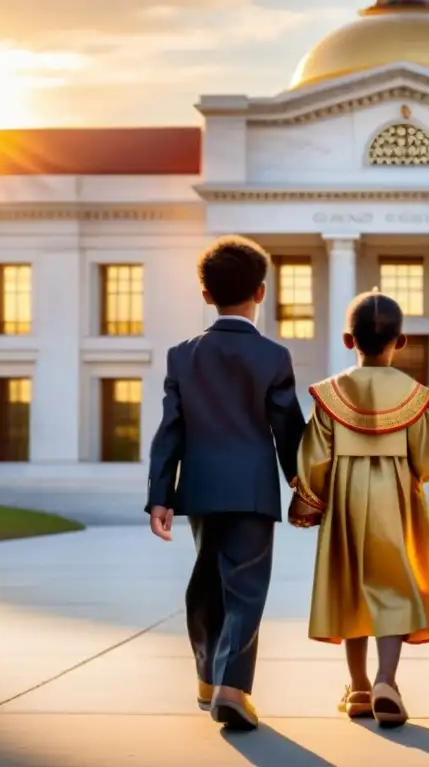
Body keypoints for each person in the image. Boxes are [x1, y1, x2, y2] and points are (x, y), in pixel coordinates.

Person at [288, 290, 429, 728]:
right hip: (396, 502)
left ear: (348, 340)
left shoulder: (330, 395)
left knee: (353, 587)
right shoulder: (412, 396)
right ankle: (387, 680)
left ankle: (358, 688)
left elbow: (314, 458)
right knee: (393, 586)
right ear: (402, 340)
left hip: (347, 506)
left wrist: (309, 502)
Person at [145, 235, 306, 731]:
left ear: (205, 295)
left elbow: (170, 427)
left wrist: (159, 496)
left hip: (201, 491)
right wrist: (304, 484)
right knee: (246, 589)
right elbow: (288, 429)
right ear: (261, 292)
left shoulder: (182, 355)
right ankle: (231, 686)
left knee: (207, 584)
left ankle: (206, 678)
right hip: (254, 493)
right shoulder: (274, 357)